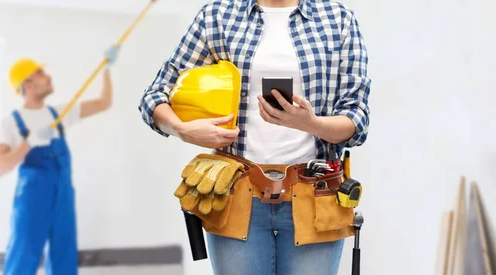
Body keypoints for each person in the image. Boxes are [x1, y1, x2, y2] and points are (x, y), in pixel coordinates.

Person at [139, 0, 370, 274]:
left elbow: (357, 119)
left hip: (315, 198)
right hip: (237, 194)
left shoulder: (338, 19)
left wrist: (311, 123)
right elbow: (155, 95)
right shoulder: (218, 15)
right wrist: (184, 130)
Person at [0, 46, 120, 275]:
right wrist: (27, 144)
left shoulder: (60, 114)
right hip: (32, 200)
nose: (48, 76)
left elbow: (104, 103)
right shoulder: (10, 122)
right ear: (27, 84)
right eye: (40, 74)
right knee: (22, 257)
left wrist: (106, 70)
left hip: (63, 195)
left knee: (64, 259)